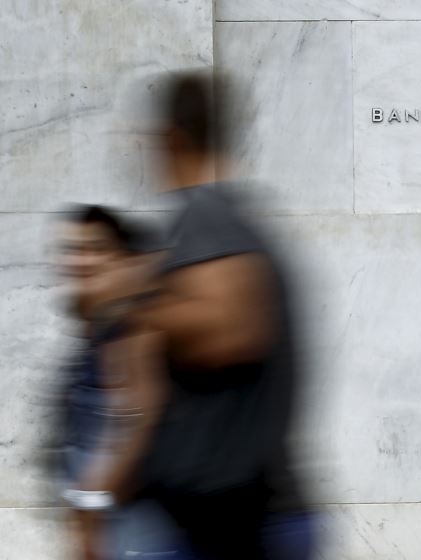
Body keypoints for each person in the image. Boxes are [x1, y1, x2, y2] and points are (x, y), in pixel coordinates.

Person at [76, 72, 313, 559]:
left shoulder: (206, 216)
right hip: (239, 521)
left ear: (171, 140)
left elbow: (231, 333)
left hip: (229, 527)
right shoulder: (233, 220)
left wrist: (131, 300)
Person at [52, 205, 175, 559]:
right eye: (73, 250)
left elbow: (144, 417)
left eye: (95, 249)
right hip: (112, 522)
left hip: (136, 525)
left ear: (123, 259)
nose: (81, 261)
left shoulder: (133, 328)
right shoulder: (98, 328)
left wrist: (93, 502)